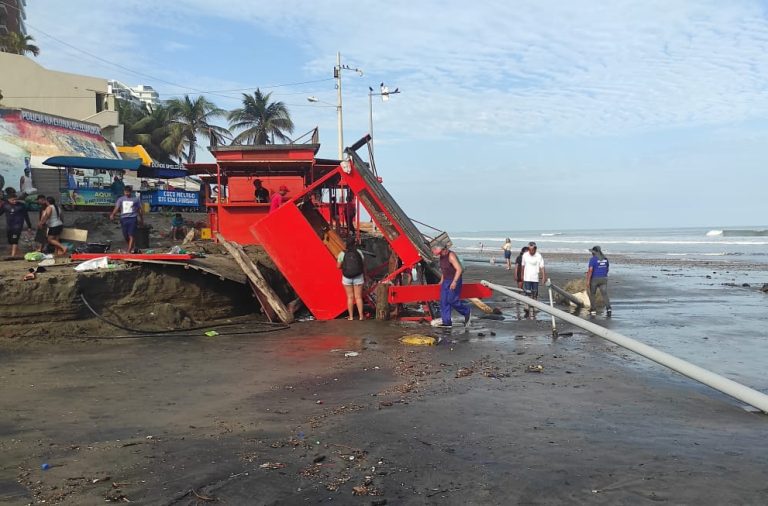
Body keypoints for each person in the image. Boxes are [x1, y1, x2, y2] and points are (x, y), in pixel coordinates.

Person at [432, 243, 471, 328]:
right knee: (443, 301)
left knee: (451, 300)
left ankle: (466, 311)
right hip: (446, 280)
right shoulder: (441, 256)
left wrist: (454, 282)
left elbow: (459, 269)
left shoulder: (451, 255)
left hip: (454, 280)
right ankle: (446, 322)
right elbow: (444, 270)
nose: (433, 251)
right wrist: (442, 280)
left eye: (435, 249)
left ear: (442, 249)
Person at [337, 236, 366, 320]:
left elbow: (338, 266)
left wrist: (345, 266)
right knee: (358, 297)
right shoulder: (359, 252)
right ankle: (361, 316)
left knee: (350, 297)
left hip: (347, 278)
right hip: (358, 277)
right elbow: (363, 265)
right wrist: (365, 275)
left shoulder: (342, 253)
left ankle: (351, 316)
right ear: (354, 244)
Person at [110, 185, 144, 253]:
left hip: (132, 218)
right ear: (124, 192)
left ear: (131, 192)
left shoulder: (136, 199)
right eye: (126, 192)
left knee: (131, 235)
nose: (127, 193)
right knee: (125, 235)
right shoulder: (121, 199)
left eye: (128, 192)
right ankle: (133, 247)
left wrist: (141, 219)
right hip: (123, 219)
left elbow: (140, 210)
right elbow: (117, 208)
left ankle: (129, 251)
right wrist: (113, 214)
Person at [0, 188, 33, 257]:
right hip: (9, 226)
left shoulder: (21, 206)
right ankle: (16, 252)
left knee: (14, 240)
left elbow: (26, 216)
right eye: (13, 200)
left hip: (18, 226)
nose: (15, 201)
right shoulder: (5, 205)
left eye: (15, 199)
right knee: (10, 240)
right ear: (8, 199)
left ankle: (13, 255)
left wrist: (29, 226)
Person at [521, 241, 546, 316]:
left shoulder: (538, 256)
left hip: (535, 277)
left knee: (535, 293)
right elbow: (523, 266)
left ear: (535, 249)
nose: (531, 251)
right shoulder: (525, 255)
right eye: (529, 249)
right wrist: (522, 276)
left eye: (532, 249)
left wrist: (544, 276)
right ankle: (527, 306)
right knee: (527, 292)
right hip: (527, 277)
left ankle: (535, 306)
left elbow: (542, 266)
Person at [586, 245, 612, 316]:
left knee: (593, 294)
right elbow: (607, 268)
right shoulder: (605, 259)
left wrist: (588, 281)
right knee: (604, 294)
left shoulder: (593, 259)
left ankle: (593, 310)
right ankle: (609, 309)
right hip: (604, 278)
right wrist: (604, 275)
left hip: (595, 279)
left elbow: (590, 270)